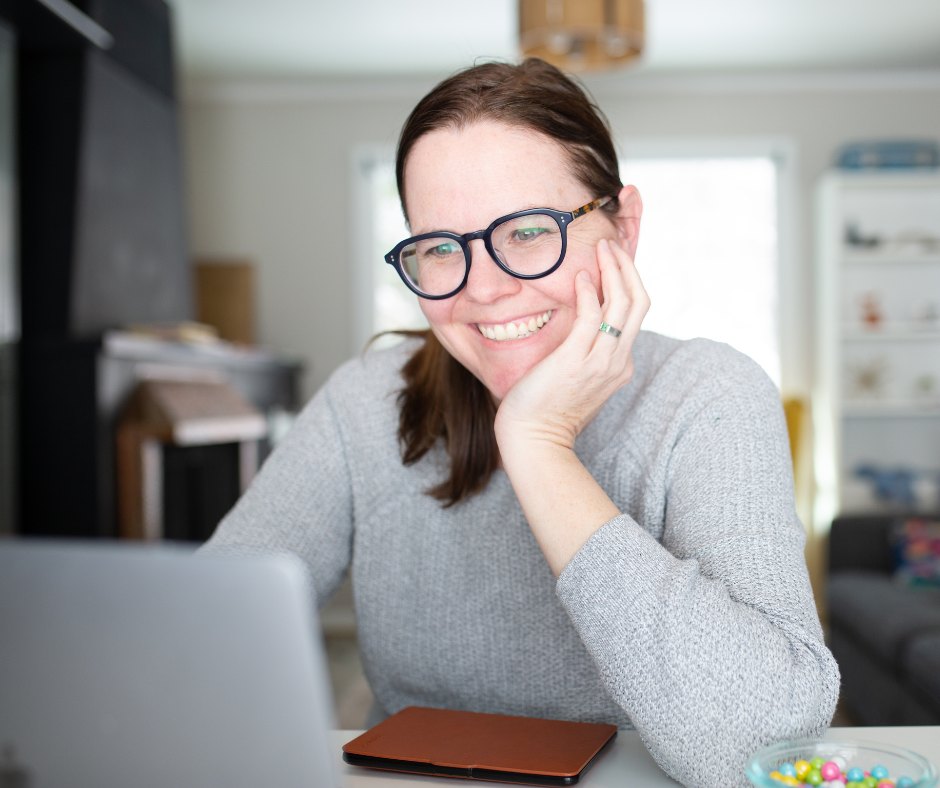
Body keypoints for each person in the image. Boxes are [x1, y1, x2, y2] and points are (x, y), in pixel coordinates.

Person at [204, 58, 839, 788]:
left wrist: (538, 446)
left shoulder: (710, 395)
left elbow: (765, 744)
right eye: (441, 247)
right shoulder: (367, 402)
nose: (485, 289)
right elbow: (203, 638)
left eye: (530, 232)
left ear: (623, 227)